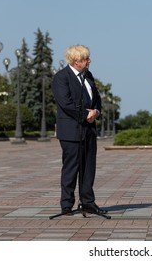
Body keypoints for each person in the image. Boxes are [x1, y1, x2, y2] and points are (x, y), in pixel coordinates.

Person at [52, 44, 105, 215]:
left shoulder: (87, 76)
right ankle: (66, 204)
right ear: (76, 61)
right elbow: (65, 103)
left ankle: (88, 202)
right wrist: (85, 115)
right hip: (71, 130)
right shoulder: (62, 77)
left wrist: (96, 112)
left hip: (89, 129)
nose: (89, 61)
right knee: (71, 168)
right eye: (86, 59)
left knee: (88, 167)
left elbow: (96, 99)